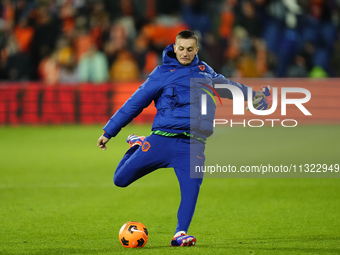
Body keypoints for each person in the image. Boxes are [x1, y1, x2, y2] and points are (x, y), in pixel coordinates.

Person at [97, 30, 269, 247]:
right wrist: (109, 132)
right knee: (120, 180)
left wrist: (254, 96)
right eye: (181, 49)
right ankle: (138, 145)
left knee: (191, 190)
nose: (185, 53)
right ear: (174, 48)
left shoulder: (205, 72)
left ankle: (180, 233)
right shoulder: (161, 73)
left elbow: (230, 88)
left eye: (190, 49)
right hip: (161, 139)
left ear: (196, 50)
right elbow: (134, 103)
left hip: (192, 145)